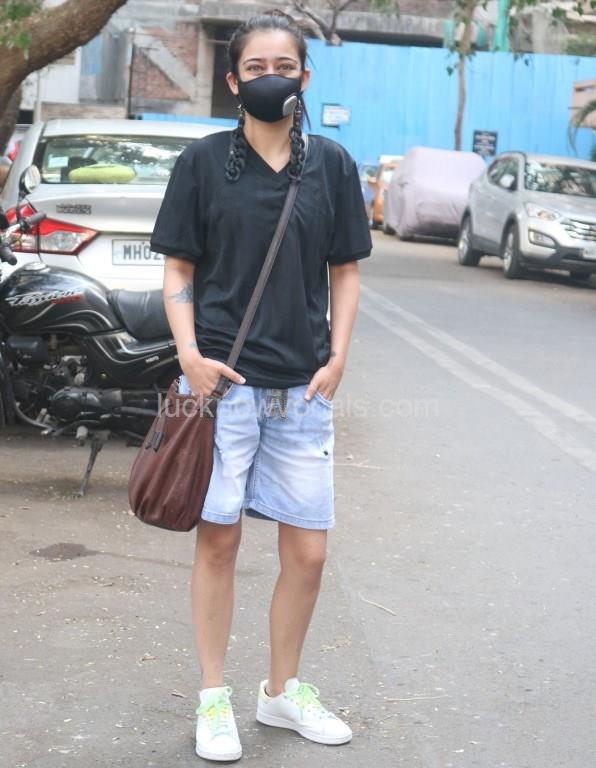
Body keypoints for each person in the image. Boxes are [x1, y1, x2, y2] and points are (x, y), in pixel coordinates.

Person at [150, 10, 372, 763]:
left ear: (305, 77)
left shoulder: (332, 165)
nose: (270, 77)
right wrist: (189, 354)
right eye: (256, 67)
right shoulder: (203, 163)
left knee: (308, 554)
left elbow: (345, 271)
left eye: (284, 65)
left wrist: (337, 358)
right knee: (219, 542)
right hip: (225, 387)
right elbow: (178, 267)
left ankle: (280, 692)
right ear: (233, 80)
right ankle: (214, 696)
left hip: (301, 391)